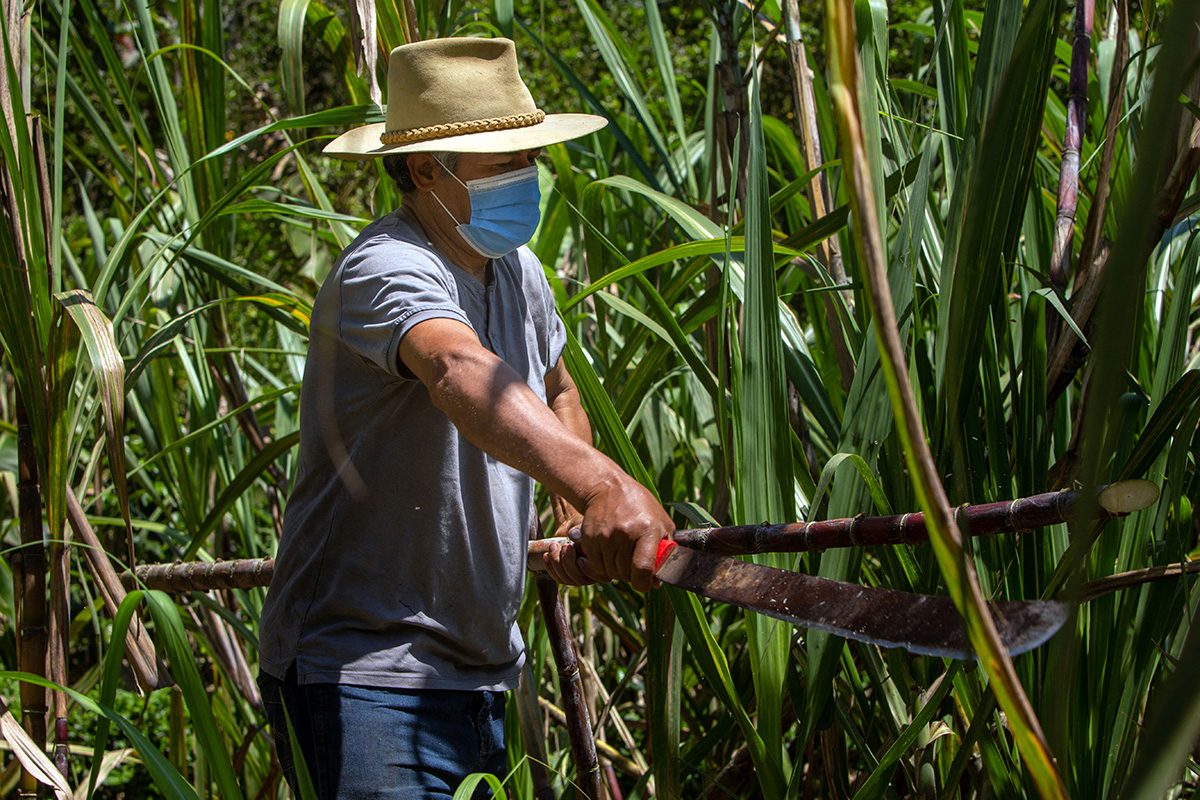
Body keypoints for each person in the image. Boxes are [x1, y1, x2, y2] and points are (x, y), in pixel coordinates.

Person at [256, 36, 674, 798]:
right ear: (425, 170)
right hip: (365, 671)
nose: (527, 176)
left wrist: (574, 506)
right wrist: (610, 483)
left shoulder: (519, 271)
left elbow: (558, 392)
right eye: (504, 161)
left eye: (528, 158)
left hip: (482, 674)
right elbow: (458, 368)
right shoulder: (387, 268)